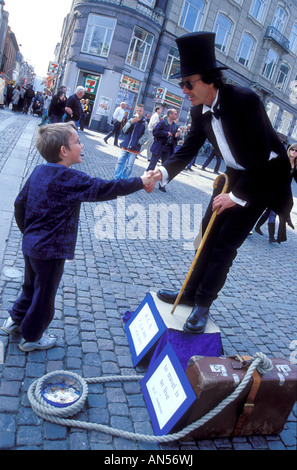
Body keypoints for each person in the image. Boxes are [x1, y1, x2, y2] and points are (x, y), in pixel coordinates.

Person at [148, 32, 292, 334]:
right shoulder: (200, 109)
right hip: (234, 174)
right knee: (206, 238)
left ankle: (202, 304)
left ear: (210, 80)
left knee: (223, 246)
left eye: (189, 83)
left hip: (261, 179)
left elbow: (258, 158)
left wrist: (237, 198)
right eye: (182, 84)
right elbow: (188, 148)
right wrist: (161, 174)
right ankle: (188, 293)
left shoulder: (246, 100)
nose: (184, 90)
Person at [0, 122, 154, 351]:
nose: (82, 146)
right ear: (64, 151)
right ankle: (31, 337)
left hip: (31, 245)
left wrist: (29, 233)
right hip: (51, 251)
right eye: (78, 142)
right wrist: (140, 181)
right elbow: (107, 188)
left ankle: (13, 321)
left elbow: (19, 203)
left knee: (30, 286)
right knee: (44, 296)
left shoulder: (39, 171)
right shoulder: (70, 179)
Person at [147, 108, 179, 192]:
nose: (176, 115)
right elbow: (155, 133)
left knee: (165, 169)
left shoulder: (175, 126)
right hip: (159, 146)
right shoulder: (162, 123)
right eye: (175, 114)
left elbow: (176, 139)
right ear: (170, 115)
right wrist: (165, 133)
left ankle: (162, 185)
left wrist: (177, 136)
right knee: (152, 165)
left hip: (168, 148)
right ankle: (145, 181)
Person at [114, 104, 149, 179]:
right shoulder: (131, 120)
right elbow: (124, 131)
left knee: (129, 166)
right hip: (126, 145)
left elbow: (147, 135)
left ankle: (123, 180)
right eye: (137, 110)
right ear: (135, 111)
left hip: (135, 148)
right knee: (120, 162)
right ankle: (116, 179)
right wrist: (131, 123)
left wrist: (139, 142)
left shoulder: (144, 123)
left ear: (143, 112)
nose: (139, 112)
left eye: (140, 111)